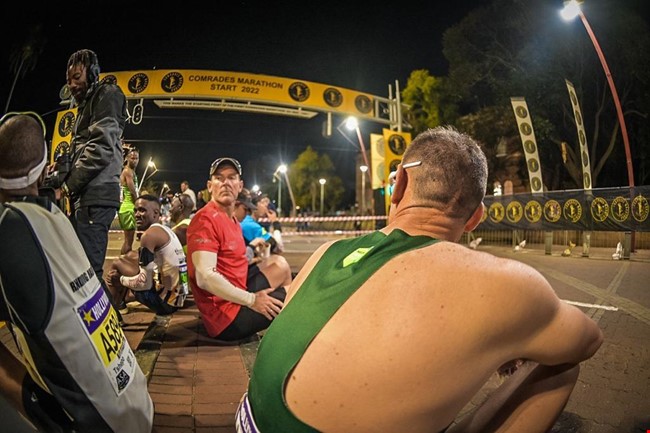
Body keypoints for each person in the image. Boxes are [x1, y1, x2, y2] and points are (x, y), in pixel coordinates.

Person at [238, 127, 604, 433]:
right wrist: (513, 338)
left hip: (247, 420)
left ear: (399, 185)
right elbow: (587, 340)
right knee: (561, 366)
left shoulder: (328, 252)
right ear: (475, 217)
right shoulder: (504, 283)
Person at [0, 113, 153, 433]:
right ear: (45, 170)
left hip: (98, 425)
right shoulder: (56, 217)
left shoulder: (8, 230)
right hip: (138, 406)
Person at [186, 157, 291, 342]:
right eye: (219, 178)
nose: (225, 183)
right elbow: (205, 277)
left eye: (231, 177)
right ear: (210, 186)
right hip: (226, 319)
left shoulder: (233, 220)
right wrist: (253, 300)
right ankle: (286, 334)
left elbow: (232, 261)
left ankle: (281, 321)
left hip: (236, 292)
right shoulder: (205, 219)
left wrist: (255, 260)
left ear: (240, 186)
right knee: (296, 292)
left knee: (279, 264)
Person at [58, 49, 128, 309]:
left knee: (89, 271)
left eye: (77, 77)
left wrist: (68, 186)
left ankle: (111, 325)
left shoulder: (107, 94)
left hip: (96, 193)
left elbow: (100, 147)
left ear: (93, 73)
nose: (71, 84)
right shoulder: (88, 104)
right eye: (69, 80)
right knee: (84, 269)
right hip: (88, 194)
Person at [106, 194, 189, 316]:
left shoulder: (148, 236)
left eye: (142, 210)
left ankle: (115, 312)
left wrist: (120, 280)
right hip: (179, 298)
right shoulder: (165, 230)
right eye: (135, 210)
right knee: (129, 260)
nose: (136, 214)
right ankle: (123, 300)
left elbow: (144, 283)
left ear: (156, 213)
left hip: (166, 305)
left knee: (116, 265)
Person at [118, 144, 139, 254]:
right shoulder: (128, 171)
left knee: (129, 241)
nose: (134, 161)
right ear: (127, 158)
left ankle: (124, 260)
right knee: (128, 242)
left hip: (128, 208)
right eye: (132, 158)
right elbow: (132, 191)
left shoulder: (131, 171)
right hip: (128, 208)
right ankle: (123, 261)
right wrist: (139, 205)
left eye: (136, 158)